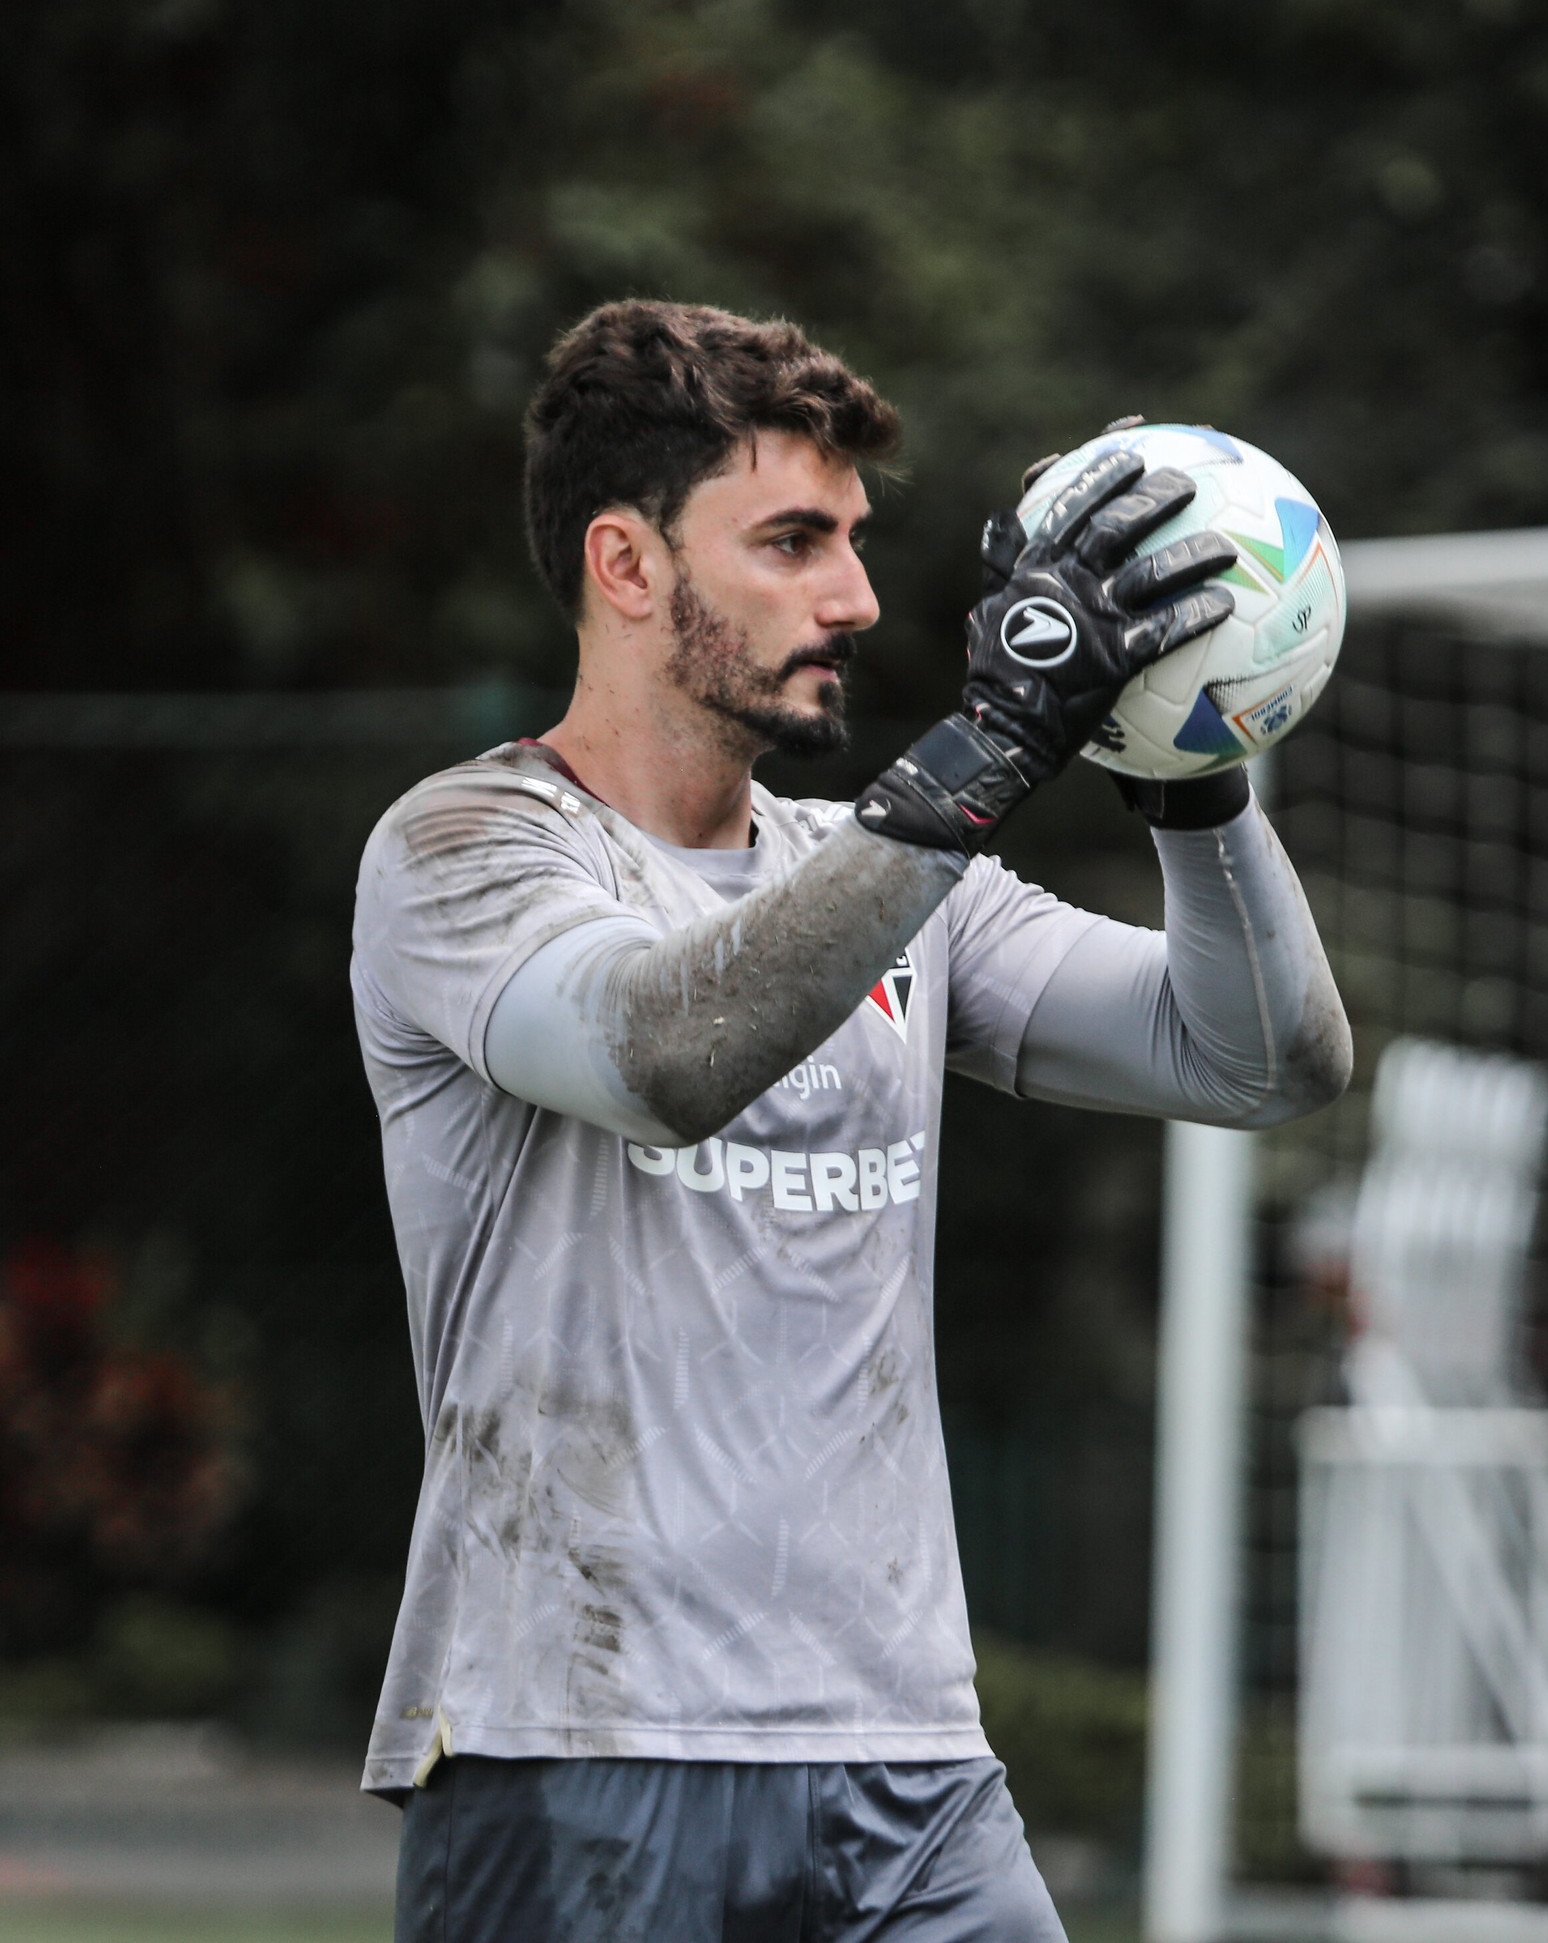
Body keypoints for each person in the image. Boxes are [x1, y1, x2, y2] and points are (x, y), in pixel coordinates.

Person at [351, 298, 1351, 1942]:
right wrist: (990, 750)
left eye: (858, 540)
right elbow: (664, 1049)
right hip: (583, 1745)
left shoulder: (879, 880)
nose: (858, 599)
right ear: (627, 567)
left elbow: (1254, 1058)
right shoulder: (462, 851)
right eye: (794, 541)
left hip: (910, 1770)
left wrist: (1187, 769)